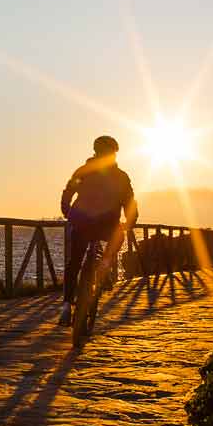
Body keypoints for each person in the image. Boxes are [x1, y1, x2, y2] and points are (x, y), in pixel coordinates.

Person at [59, 135, 138, 326]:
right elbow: (129, 203)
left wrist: (67, 210)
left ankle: (66, 306)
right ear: (113, 154)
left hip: (80, 222)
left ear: (95, 152)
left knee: (74, 262)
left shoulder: (84, 170)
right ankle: (106, 266)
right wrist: (131, 221)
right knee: (118, 236)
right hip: (107, 225)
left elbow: (69, 190)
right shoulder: (121, 177)